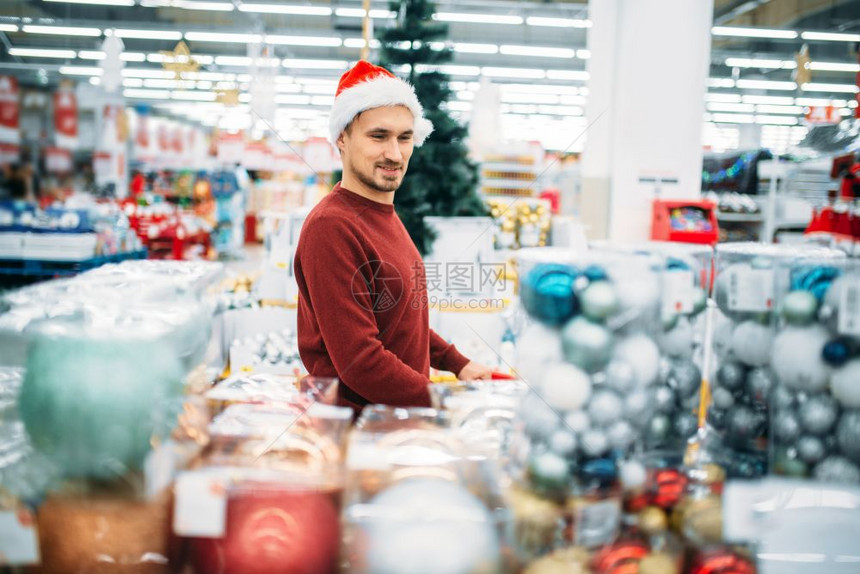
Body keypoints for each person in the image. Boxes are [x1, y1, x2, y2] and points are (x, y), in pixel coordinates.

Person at [294, 60, 493, 413]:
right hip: (359, 430)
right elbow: (361, 362)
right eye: (378, 136)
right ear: (342, 137)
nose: (395, 153)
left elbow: (398, 318)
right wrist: (440, 400)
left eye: (404, 138)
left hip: (395, 419)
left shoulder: (382, 213)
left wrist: (457, 363)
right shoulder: (332, 227)